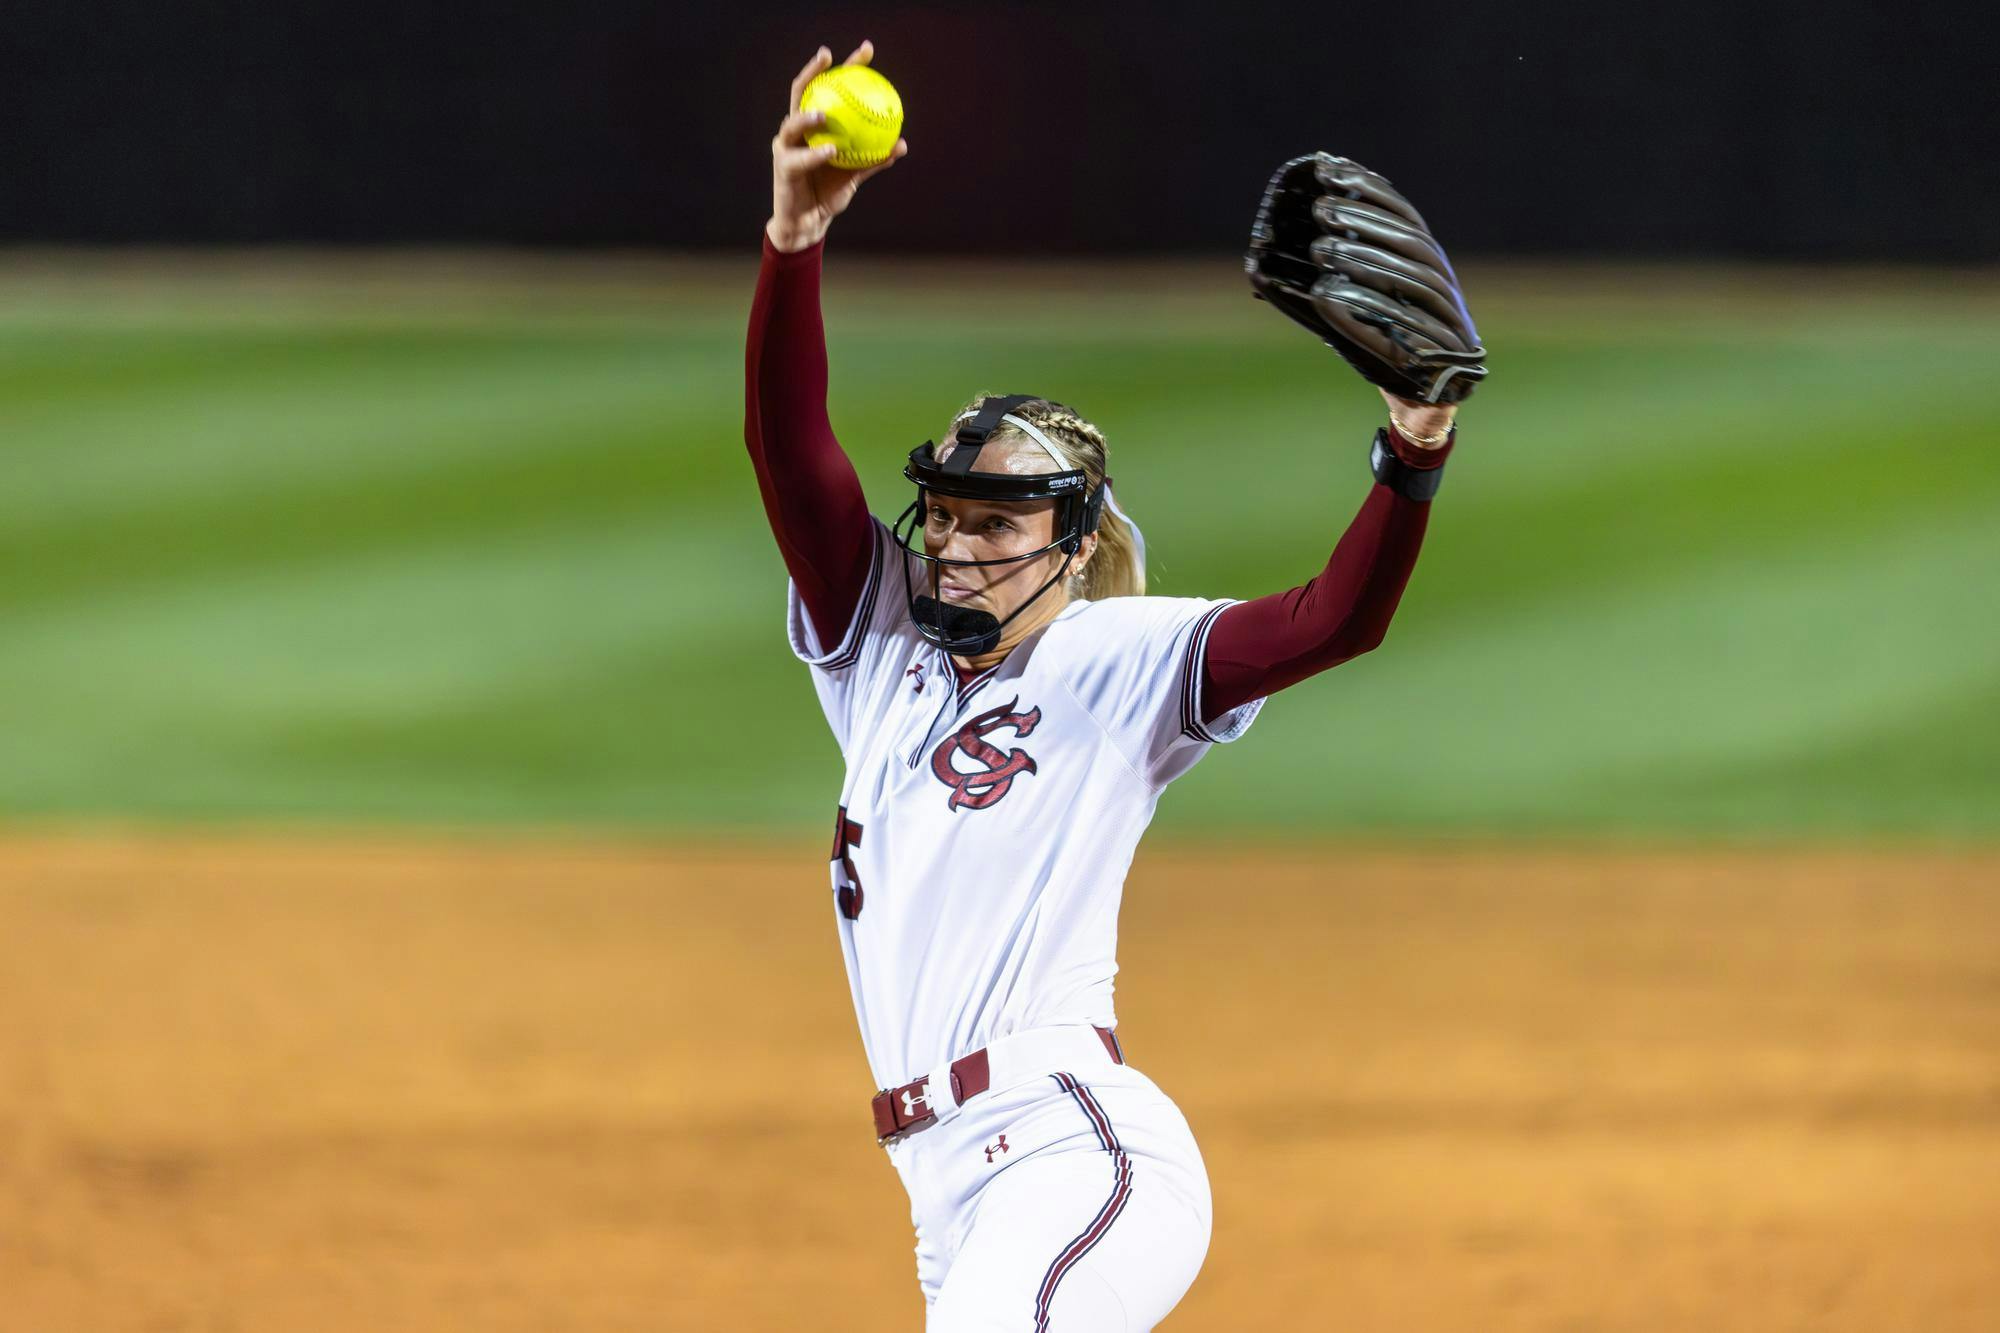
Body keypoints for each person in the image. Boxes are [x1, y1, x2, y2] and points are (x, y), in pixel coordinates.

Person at [747, 41, 1470, 1332]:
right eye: (951, 515)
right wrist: (793, 238)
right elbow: (792, 456)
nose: (961, 541)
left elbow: (1334, 618)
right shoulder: (882, 665)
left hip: (1077, 1155)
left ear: (1074, 547)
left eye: (1000, 521)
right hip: (946, 1196)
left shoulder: (1112, 662)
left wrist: (1412, 451)